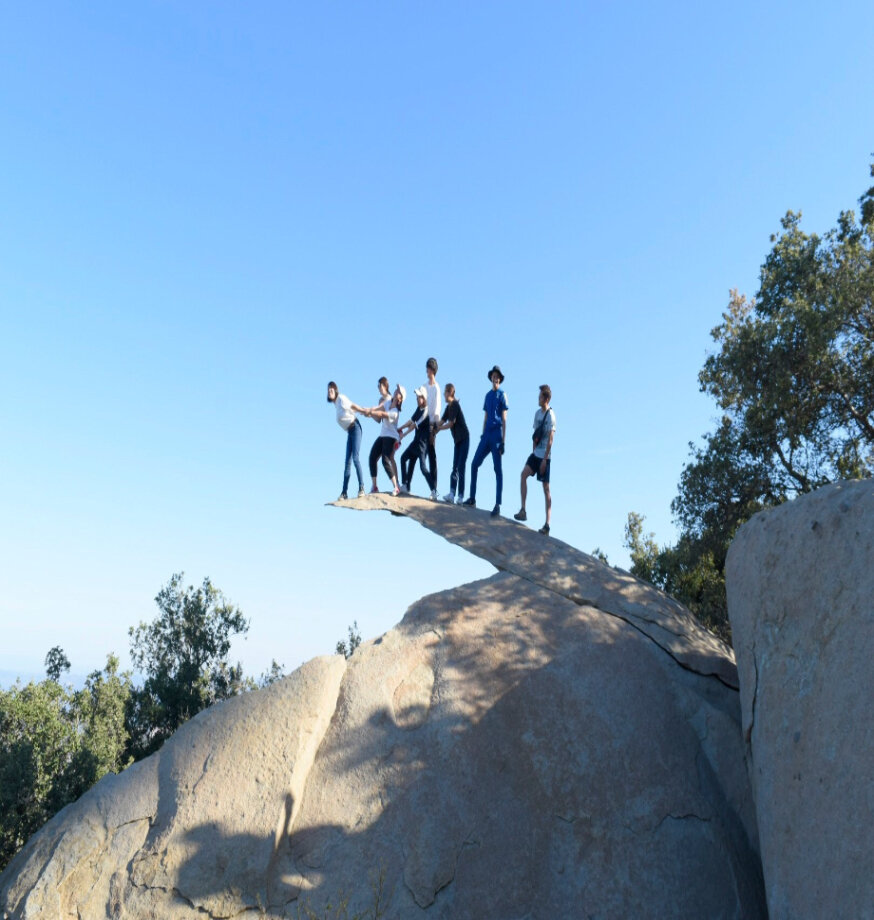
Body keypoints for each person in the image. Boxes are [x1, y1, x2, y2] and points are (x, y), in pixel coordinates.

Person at [464, 365, 508, 517]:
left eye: (497, 377)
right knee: (474, 463)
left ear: (500, 379)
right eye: (493, 376)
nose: (495, 379)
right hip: (487, 434)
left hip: (497, 434)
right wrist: (483, 434)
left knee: (497, 469)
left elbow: (504, 419)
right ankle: (472, 498)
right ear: (491, 378)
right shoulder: (488, 395)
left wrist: (503, 441)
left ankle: (497, 504)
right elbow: (485, 416)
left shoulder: (502, 395)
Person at [514, 385, 556, 535]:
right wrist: (533, 454)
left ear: (546, 399)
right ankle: (523, 510)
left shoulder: (551, 416)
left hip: (545, 457)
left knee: (546, 489)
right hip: (536, 454)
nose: (538, 399)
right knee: (523, 475)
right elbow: (535, 436)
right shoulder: (537, 414)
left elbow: (550, 440)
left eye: (540, 397)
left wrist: (544, 460)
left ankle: (547, 524)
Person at [326, 381, 367, 500]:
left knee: (355, 458)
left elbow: (353, 406)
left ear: (336, 390)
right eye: (328, 391)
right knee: (347, 463)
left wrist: (364, 411)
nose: (330, 392)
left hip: (356, 428)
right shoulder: (336, 404)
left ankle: (361, 488)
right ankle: (344, 493)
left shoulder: (341, 398)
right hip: (350, 432)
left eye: (331, 390)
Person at [366, 383, 405, 495]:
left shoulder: (395, 412)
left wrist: (372, 412)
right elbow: (378, 408)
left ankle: (396, 486)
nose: (396, 391)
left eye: (399, 391)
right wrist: (368, 411)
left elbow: (382, 413)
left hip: (391, 437)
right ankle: (374, 487)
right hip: (383, 435)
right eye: (396, 389)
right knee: (372, 457)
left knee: (385, 460)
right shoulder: (388, 403)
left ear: (400, 399)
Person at [398, 386, 437, 497]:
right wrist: (399, 428)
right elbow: (410, 421)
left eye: (418, 397)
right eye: (416, 397)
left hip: (422, 445)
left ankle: (433, 490)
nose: (416, 399)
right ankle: (405, 485)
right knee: (403, 458)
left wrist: (403, 435)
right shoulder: (418, 409)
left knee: (423, 468)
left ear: (424, 398)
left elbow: (413, 425)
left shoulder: (426, 412)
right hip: (415, 442)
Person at [437, 382, 469, 504]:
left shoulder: (455, 405)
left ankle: (460, 496)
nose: (444, 395)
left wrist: (438, 429)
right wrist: (433, 427)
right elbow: (442, 421)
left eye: (445, 392)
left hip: (464, 439)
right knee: (454, 467)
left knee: (461, 467)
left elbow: (450, 423)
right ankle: (451, 493)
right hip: (457, 441)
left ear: (450, 392)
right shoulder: (448, 408)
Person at [424, 357, 442, 499]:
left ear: (433, 370)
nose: (427, 370)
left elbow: (437, 410)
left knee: (432, 457)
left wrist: (434, 429)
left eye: (429, 368)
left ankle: (434, 489)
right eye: (427, 368)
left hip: (431, 425)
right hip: (423, 423)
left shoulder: (436, 388)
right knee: (419, 455)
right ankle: (406, 484)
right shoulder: (424, 386)